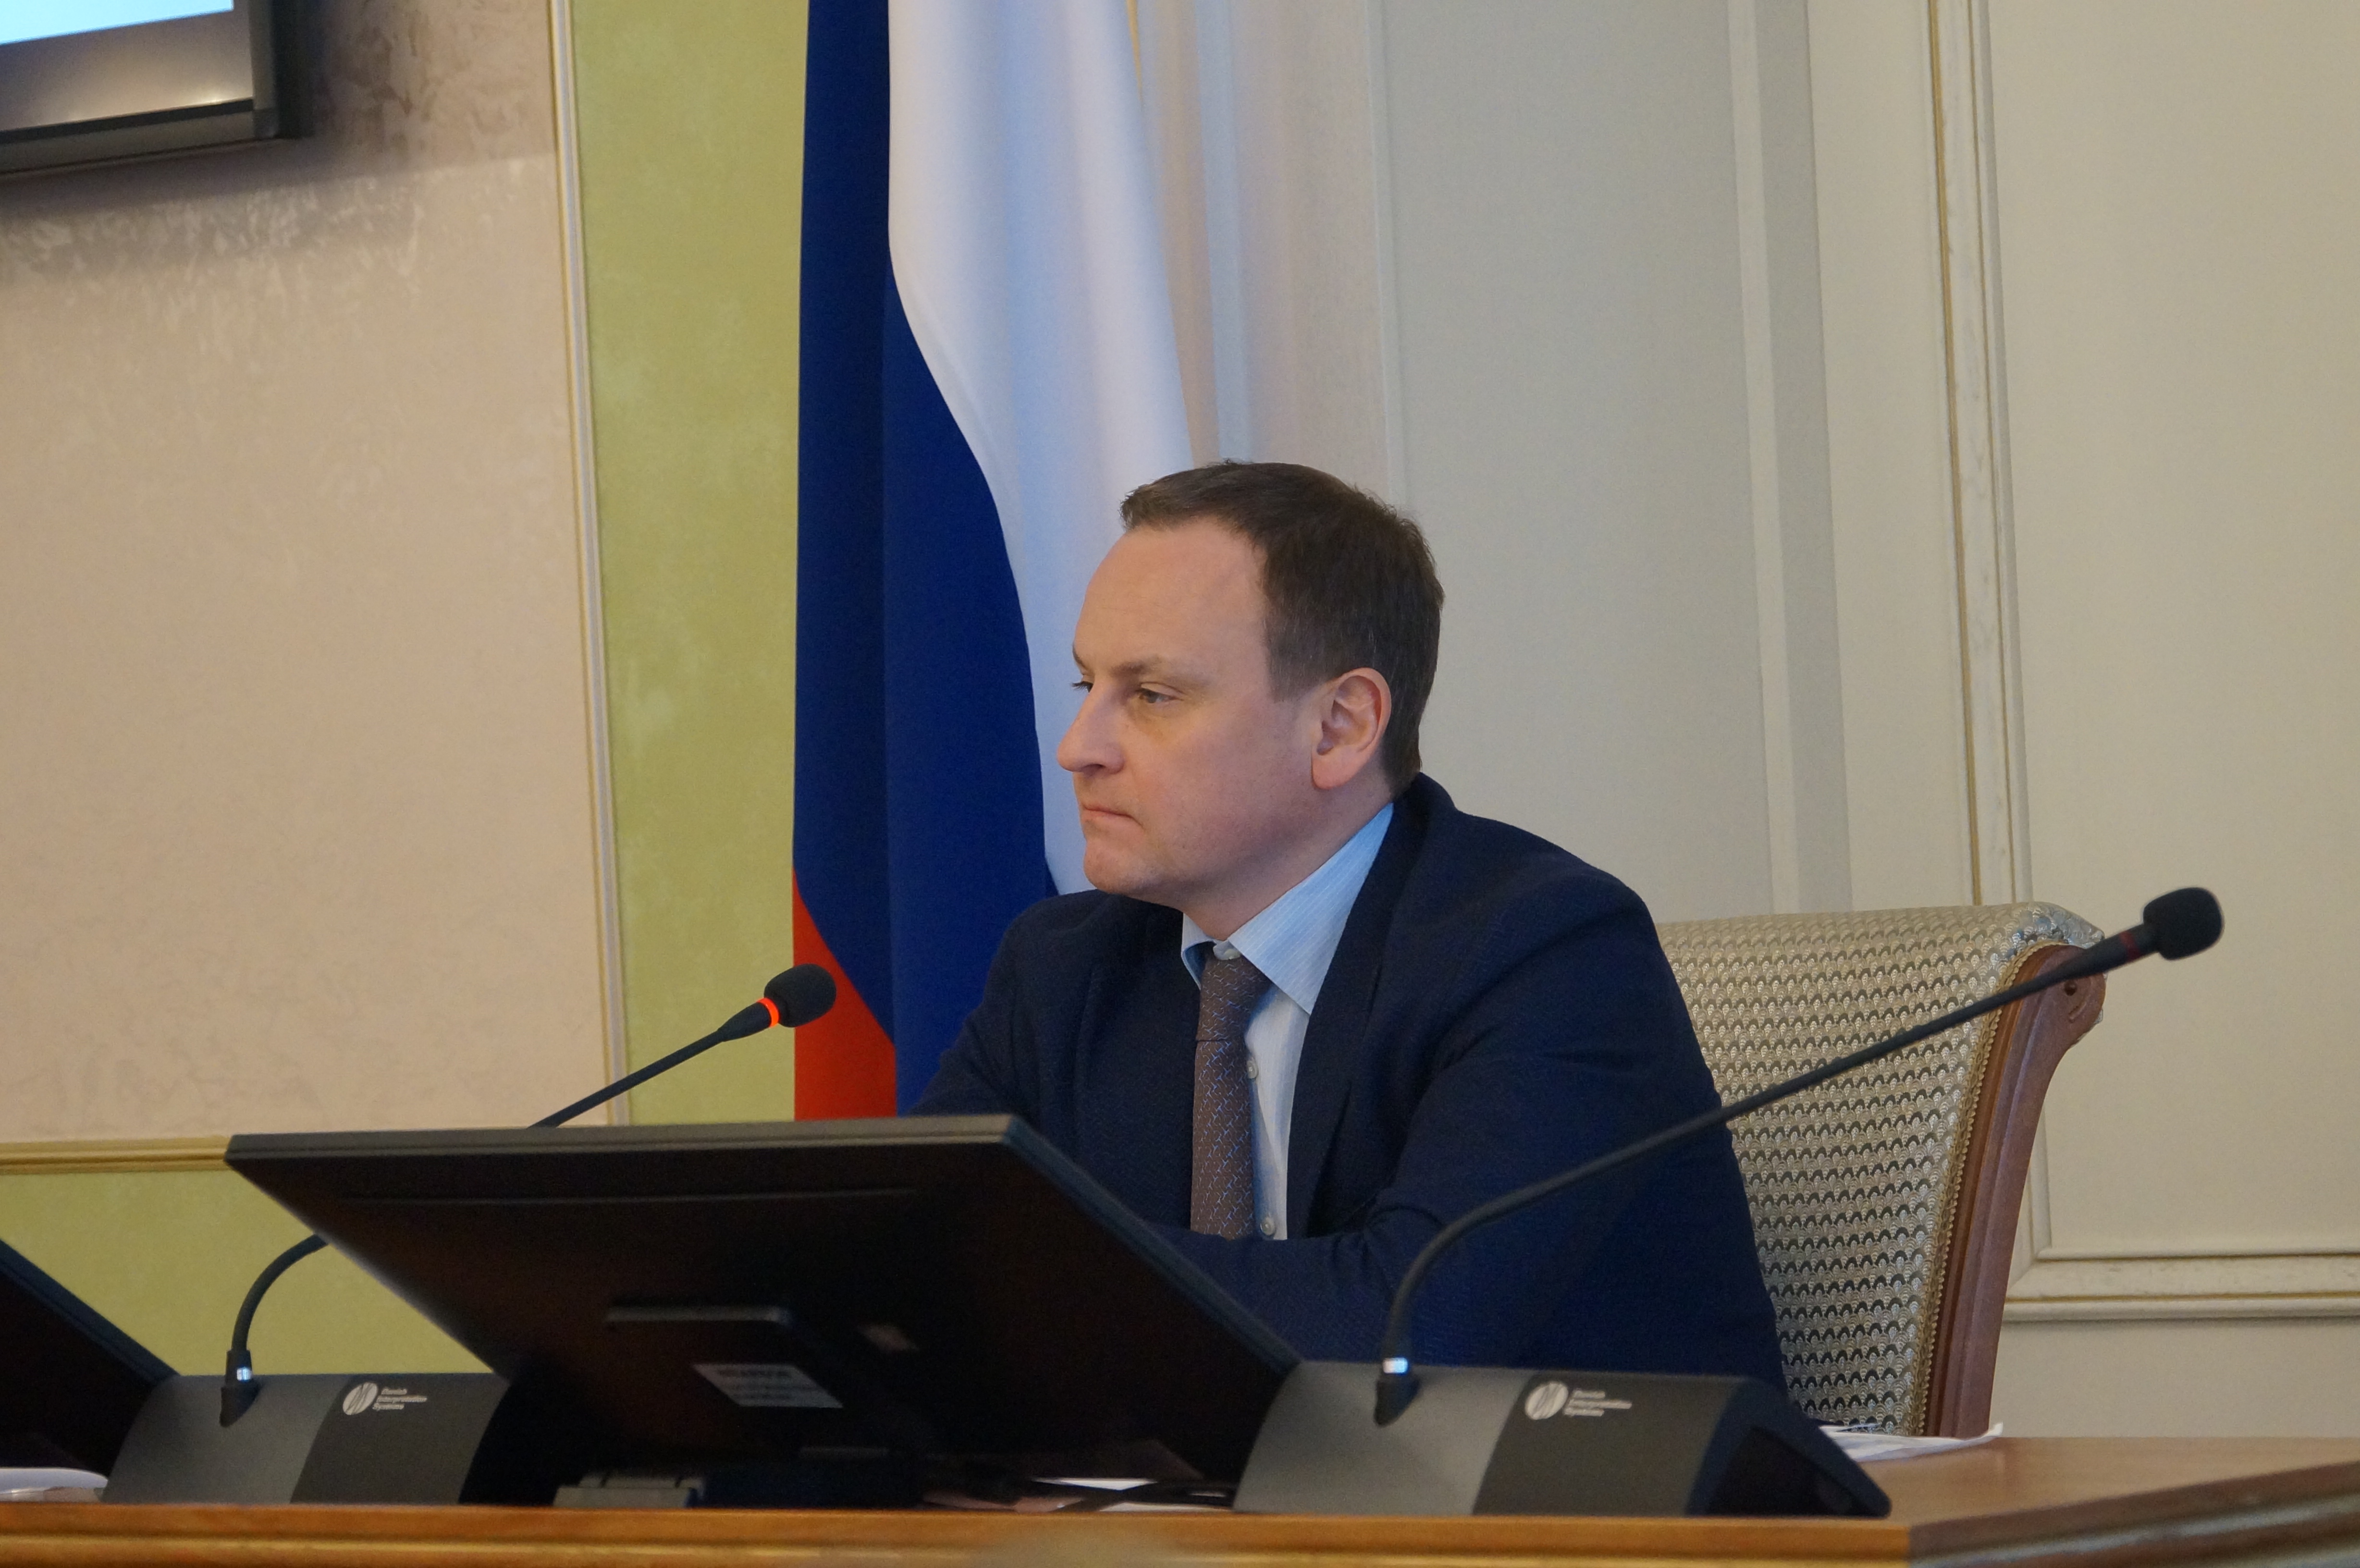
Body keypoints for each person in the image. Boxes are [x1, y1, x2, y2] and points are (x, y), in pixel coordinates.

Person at [914, 461, 1783, 1384]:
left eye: (1152, 696)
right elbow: (909, 1257)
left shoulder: (1549, 950)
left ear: (1340, 726)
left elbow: (1406, 1328)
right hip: (1194, 1477)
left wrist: (1029, 1272)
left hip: (1564, 1477)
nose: (1078, 747)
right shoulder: (1065, 967)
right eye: (1086, 684)